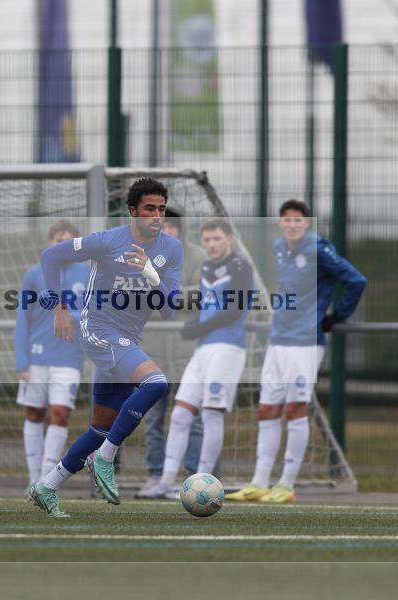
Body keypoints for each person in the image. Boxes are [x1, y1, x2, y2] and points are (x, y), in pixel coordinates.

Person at [28, 178, 183, 518]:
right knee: (156, 383)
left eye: (160, 208)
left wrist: (149, 272)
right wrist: (59, 307)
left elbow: (170, 307)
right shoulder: (108, 241)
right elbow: (51, 256)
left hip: (127, 339)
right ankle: (105, 457)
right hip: (97, 329)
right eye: (149, 209)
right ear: (133, 211)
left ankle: (47, 486)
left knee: (100, 426)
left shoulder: (171, 249)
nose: (156, 215)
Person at [225, 199, 366, 504]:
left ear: (307, 223)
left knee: (295, 408)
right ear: (280, 223)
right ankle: (259, 482)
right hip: (278, 339)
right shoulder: (280, 248)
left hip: (304, 341)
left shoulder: (317, 249)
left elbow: (356, 280)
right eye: (286, 220)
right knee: (267, 409)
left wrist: (336, 316)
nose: (292, 225)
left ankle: (286, 484)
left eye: (298, 220)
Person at [145, 218, 254, 499]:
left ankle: (204, 481)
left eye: (217, 238)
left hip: (227, 347)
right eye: (207, 240)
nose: (212, 244)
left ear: (229, 239)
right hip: (203, 348)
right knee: (181, 413)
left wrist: (198, 326)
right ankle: (165, 481)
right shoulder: (207, 266)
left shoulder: (240, 266)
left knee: (210, 413)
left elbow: (234, 309)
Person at [136, 207, 206, 498]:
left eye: (170, 227)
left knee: (194, 418)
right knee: (153, 418)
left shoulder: (199, 257)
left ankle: (195, 475)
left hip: (188, 352)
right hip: (152, 353)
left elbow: (200, 295)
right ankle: (156, 475)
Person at [14, 220, 90, 485]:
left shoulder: (86, 275)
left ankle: (46, 480)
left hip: (69, 358)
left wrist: (74, 315)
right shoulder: (35, 274)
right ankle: (33, 479)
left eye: (69, 242)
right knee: (34, 413)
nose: (64, 246)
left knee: (60, 413)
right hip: (36, 357)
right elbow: (23, 318)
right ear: (50, 244)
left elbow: (96, 312)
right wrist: (21, 360)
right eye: (59, 241)